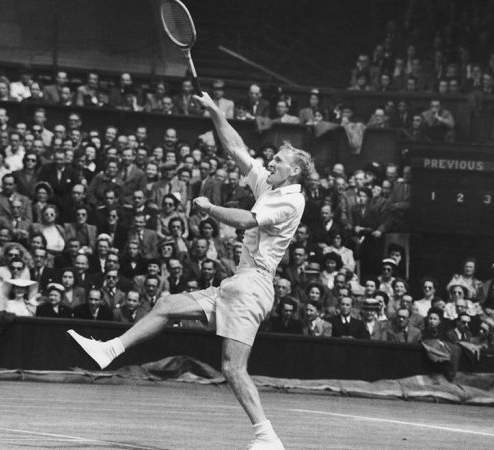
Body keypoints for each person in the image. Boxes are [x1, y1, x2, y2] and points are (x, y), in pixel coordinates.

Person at [68, 90, 314, 450]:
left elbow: (247, 219)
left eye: (277, 159)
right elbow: (237, 148)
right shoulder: (271, 184)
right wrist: (215, 111)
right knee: (167, 305)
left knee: (232, 368)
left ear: (294, 170)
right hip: (238, 283)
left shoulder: (291, 199)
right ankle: (110, 350)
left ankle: (267, 437)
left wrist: (210, 208)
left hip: (253, 286)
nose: (270, 162)